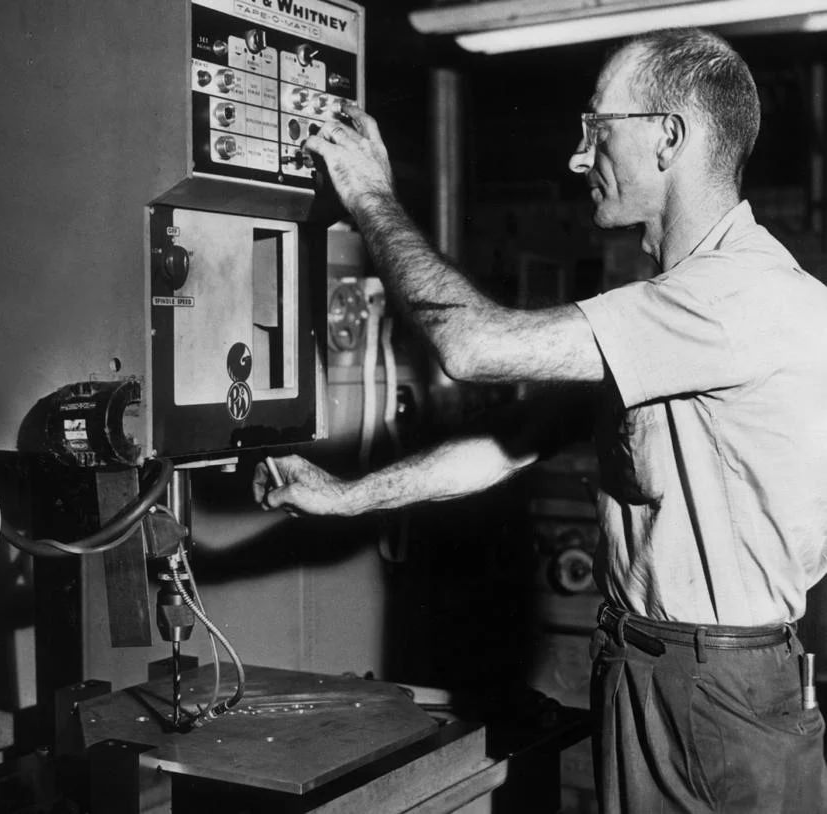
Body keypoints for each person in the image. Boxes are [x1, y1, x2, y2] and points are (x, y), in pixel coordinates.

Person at [253, 26, 827, 813]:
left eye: (597, 129)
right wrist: (348, 496)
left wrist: (370, 197)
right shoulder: (676, 312)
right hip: (655, 666)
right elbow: (507, 445)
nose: (577, 156)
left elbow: (471, 344)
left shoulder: (736, 299)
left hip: (712, 690)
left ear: (669, 136)